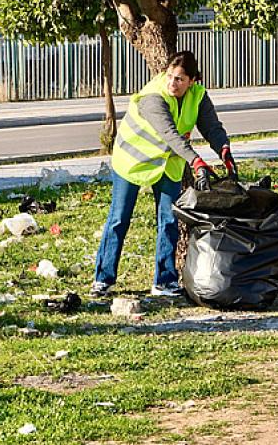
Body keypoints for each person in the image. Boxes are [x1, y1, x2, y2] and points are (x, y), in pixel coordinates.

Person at [91, 51, 237, 298]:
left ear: (192, 81)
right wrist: (196, 162)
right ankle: (103, 280)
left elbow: (212, 127)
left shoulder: (198, 96)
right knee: (119, 218)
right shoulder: (153, 97)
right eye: (170, 76)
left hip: (167, 164)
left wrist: (223, 149)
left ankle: (165, 281)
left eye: (180, 79)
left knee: (169, 220)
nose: (173, 83)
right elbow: (171, 134)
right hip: (133, 161)